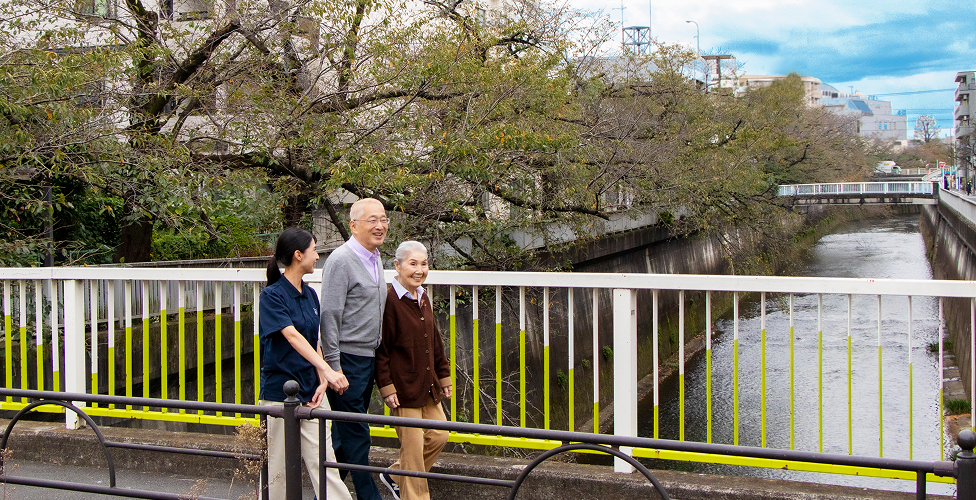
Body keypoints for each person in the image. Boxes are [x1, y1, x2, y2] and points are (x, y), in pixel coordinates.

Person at [258, 227, 352, 500]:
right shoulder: (272, 296)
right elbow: (292, 336)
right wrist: (327, 371)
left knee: (325, 464)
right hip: (279, 392)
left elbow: (314, 340)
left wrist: (323, 379)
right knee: (278, 472)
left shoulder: (310, 294)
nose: (317, 256)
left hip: (312, 392)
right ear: (299, 255)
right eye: (314, 250)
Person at [320, 198, 389, 500]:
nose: (380, 225)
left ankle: (323, 495)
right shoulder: (340, 260)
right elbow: (329, 315)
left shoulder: (376, 258)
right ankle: (368, 495)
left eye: (384, 219)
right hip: (346, 360)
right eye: (372, 219)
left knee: (344, 436)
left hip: (368, 358)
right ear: (353, 225)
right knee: (357, 432)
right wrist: (333, 365)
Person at [375, 241, 451, 500]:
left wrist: (444, 375)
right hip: (403, 388)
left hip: (427, 384)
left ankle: (395, 475)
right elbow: (381, 349)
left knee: (440, 434)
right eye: (413, 264)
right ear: (397, 266)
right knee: (413, 452)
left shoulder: (423, 296)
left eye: (424, 263)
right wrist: (386, 386)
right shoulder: (390, 301)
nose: (419, 270)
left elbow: (434, 340)